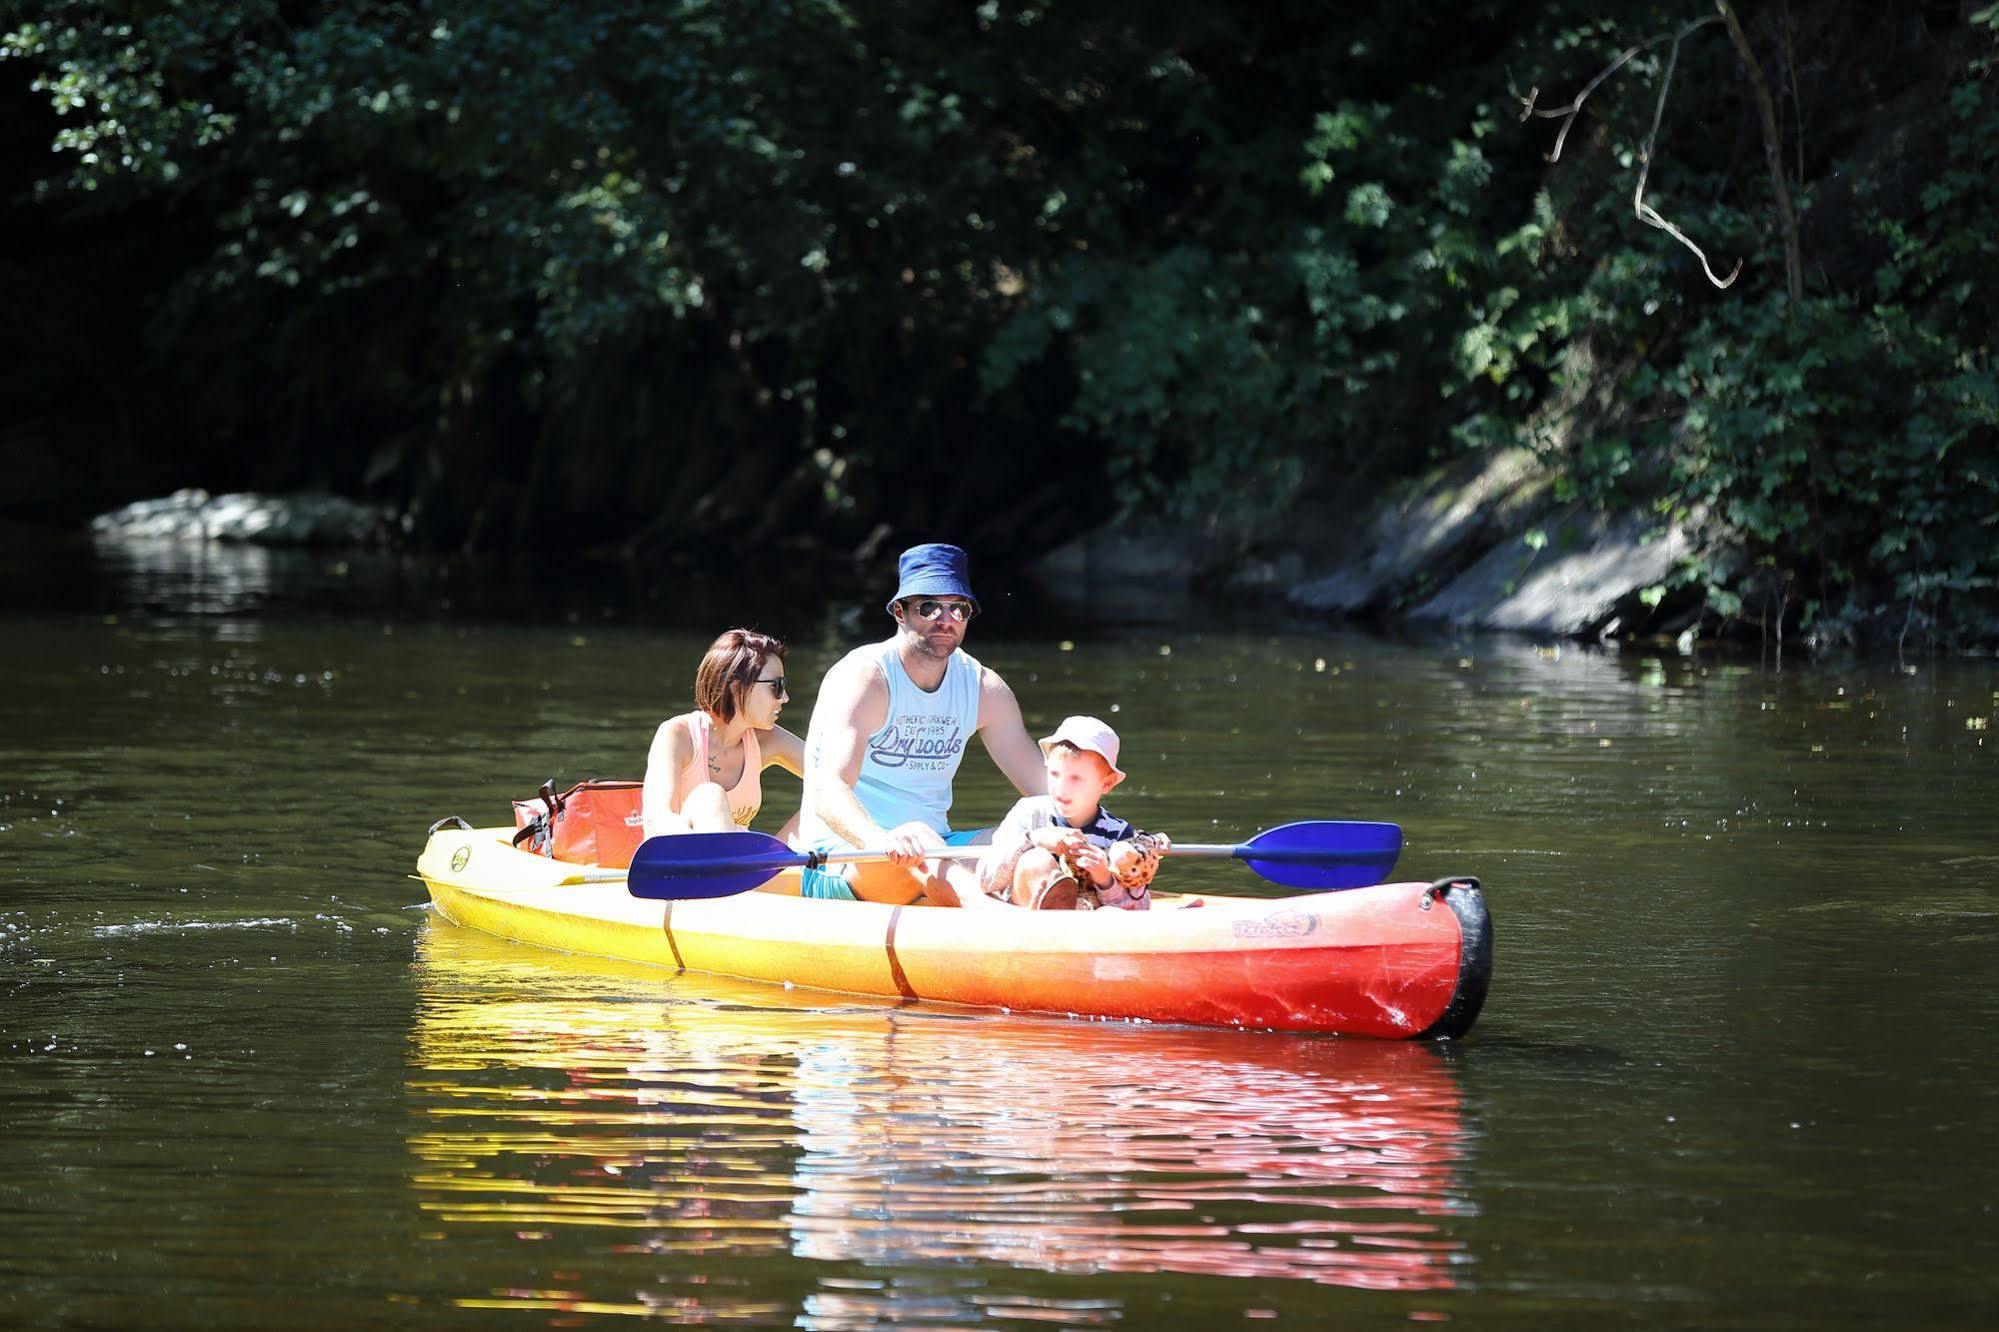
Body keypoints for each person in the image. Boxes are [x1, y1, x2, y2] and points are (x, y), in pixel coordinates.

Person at [795, 543, 1046, 905]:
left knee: (1036, 839)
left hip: (936, 850)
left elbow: (1048, 793)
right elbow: (828, 791)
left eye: (958, 608)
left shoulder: (983, 687)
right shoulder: (865, 679)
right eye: (929, 607)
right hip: (845, 862)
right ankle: (996, 922)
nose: (945, 620)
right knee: (919, 836)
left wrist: (1120, 839)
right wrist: (880, 843)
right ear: (900, 612)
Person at [977, 716, 1170, 910]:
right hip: (1026, 916)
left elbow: (1136, 908)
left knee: (1111, 911)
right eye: (1054, 774)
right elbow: (986, 879)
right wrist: (1033, 838)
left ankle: (1073, 912)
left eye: (1076, 778)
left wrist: (1105, 880)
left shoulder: (1119, 835)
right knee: (1036, 860)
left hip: (1088, 920)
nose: (1061, 788)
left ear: (1107, 783)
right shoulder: (1027, 814)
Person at [643, 629, 805, 839]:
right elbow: (656, 820)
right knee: (709, 797)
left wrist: (772, 857)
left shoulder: (769, 740)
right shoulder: (678, 735)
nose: (785, 698)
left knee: (830, 797)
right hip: (678, 861)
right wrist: (721, 845)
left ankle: (772, 863)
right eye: (777, 686)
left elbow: (837, 779)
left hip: (738, 864)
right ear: (736, 686)